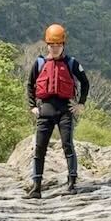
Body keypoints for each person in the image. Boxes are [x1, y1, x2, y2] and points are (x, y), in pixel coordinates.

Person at [24, 23, 91, 199]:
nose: (54, 48)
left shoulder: (71, 63)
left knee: (67, 145)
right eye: (51, 45)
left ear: (63, 45)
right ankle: (36, 187)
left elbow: (85, 82)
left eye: (58, 45)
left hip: (64, 110)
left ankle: (72, 183)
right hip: (45, 110)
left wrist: (80, 104)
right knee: (39, 148)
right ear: (47, 44)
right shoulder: (39, 63)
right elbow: (30, 85)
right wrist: (32, 106)